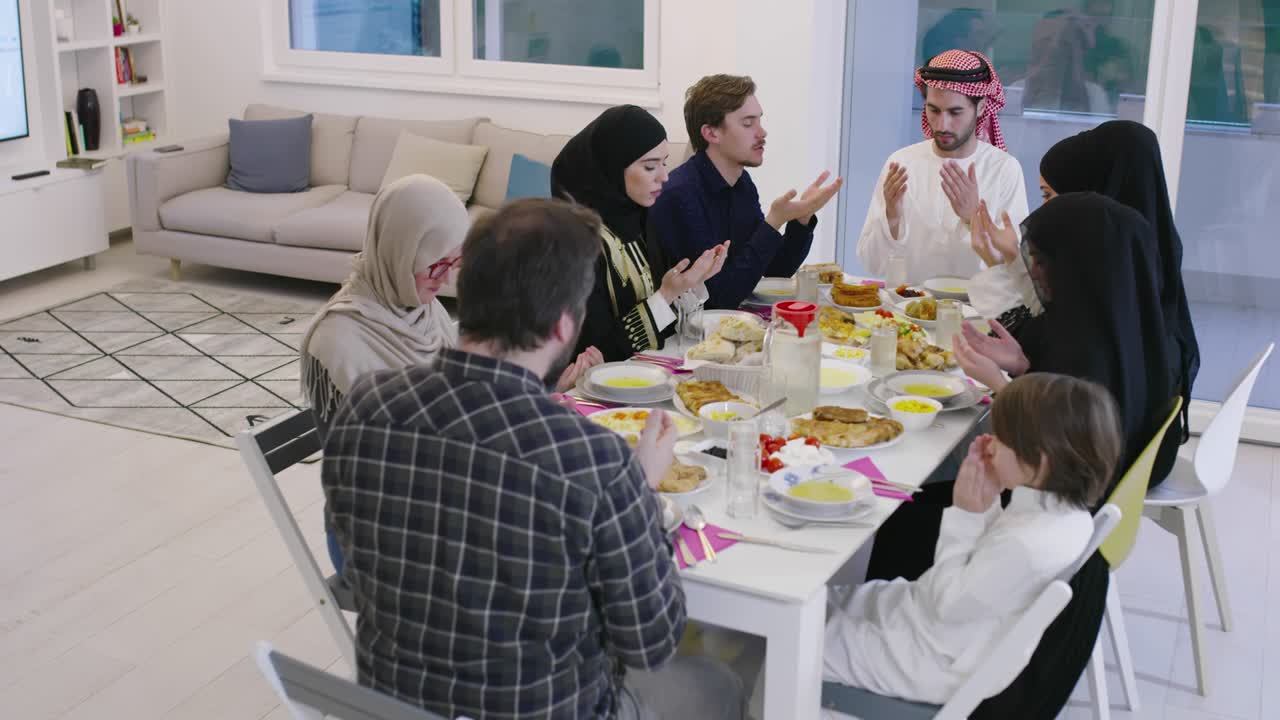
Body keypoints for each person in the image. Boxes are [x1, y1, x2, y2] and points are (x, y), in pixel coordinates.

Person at [322, 198, 743, 720]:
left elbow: (359, 557)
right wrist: (640, 492)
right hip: (548, 708)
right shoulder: (594, 463)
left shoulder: (365, 409)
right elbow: (651, 640)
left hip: (395, 703)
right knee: (723, 682)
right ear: (567, 325)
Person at [866, 193, 1178, 718]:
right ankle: (881, 610)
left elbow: (1051, 438)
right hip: (1071, 502)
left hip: (1009, 550)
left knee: (905, 505)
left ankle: (886, 624)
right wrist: (1024, 363)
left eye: (1041, 257)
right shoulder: (1122, 327)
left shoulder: (1091, 357)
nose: (1032, 266)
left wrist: (1004, 385)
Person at [300, 176, 603, 574]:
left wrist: (542, 393)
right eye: (435, 264)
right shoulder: (337, 342)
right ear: (398, 248)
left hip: (444, 499)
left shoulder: (424, 312)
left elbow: (464, 407)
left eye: (454, 262)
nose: (445, 279)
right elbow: (366, 474)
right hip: (376, 530)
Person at [824, 373, 1122, 708]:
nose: (991, 444)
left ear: (1040, 459)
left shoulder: (1027, 545)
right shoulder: (1064, 516)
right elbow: (984, 576)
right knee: (821, 605)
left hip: (930, 660)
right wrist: (987, 501)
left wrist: (966, 514)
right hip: (934, 631)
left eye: (1002, 439)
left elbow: (945, 605)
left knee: (790, 639)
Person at [967, 120, 1199, 453]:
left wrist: (1001, 381)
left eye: (1049, 195)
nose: (1045, 209)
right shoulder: (1137, 269)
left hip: (1083, 471)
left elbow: (1062, 425)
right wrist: (1023, 364)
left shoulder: (1107, 313)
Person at [649, 74, 842, 310]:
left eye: (760, 121)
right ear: (711, 134)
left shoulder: (742, 184)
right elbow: (716, 298)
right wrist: (773, 222)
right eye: (748, 123)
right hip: (681, 335)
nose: (762, 133)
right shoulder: (679, 195)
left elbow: (773, 270)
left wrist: (800, 219)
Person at [552, 105, 728, 362]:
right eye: (650, 167)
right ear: (611, 168)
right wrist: (666, 294)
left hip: (648, 371)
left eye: (664, 163)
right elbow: (596, 352)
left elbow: (666, 323)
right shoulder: (573, 242)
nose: (665, 176)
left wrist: (689, 283)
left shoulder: (640, 217)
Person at [856, 50, 1028, 305]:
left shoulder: (1003, 169)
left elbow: (1016, 272)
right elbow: (872, 264)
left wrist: (973, 220)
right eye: (933, 110)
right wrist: (891, 219)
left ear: (981, 107)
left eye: (955, 112)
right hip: (909, 313)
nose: (942, 125)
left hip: (977, 314)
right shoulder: (902, 163)